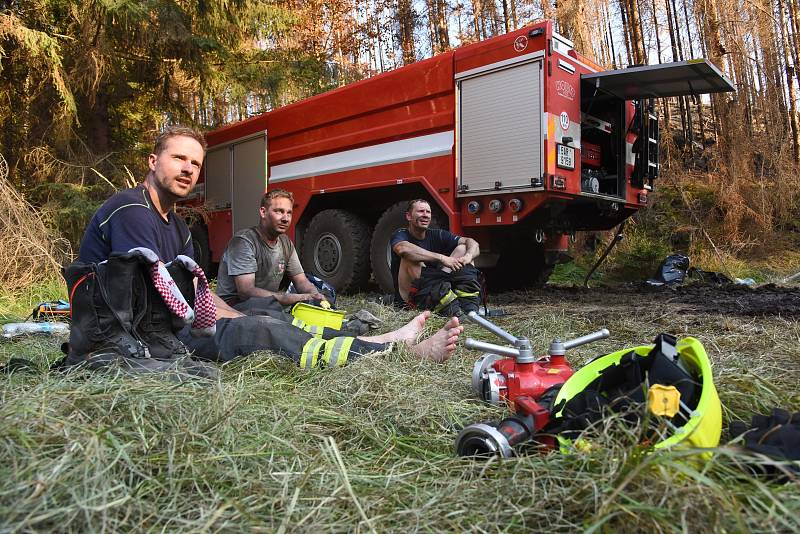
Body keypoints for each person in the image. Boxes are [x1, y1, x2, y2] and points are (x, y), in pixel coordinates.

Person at [77, 126, 462, 367]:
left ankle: (369, 340)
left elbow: (198, 296)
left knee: (268, 315)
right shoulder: (131, 211)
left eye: (194, 164)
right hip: (142, 337)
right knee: (260, 323)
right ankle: (390, 355)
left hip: (169, 324)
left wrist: (305, 301)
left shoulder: (177, 226)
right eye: (178, 158)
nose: (187, 169)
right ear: (152, 160)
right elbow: (158, 304)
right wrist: (242, 320)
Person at [215, 189, 325, 311]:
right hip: (233, 309)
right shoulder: (244, 241)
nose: (286, 218)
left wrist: (315, 295)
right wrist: (294, 298)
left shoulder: (286, 243)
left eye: (289, 213)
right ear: (263, 212)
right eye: (279, 211)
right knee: (281, 319)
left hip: (265, 306)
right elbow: (246, 292)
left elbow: (301, 281)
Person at [390, 199, 481, 310]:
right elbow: (402, 249)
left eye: (428, 212)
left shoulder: (437, 234)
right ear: (409, 216)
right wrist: (442, 258)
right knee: (410, 257)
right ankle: (449, 308)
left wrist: (468, 256)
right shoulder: (400, 234)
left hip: (437, 287)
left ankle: (468, 307)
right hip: (412, 297)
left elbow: (472, 242)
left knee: (464, 248)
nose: (425, 215)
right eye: (420, 211)